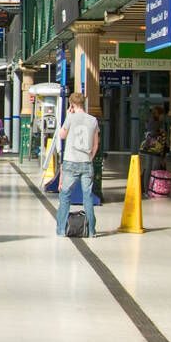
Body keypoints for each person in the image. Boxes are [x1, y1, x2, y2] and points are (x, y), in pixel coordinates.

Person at [55, 92, 100, 237]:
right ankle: (91, 230)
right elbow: (96, 144)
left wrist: (68, 115)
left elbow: (62, 135)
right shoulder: (93, 120)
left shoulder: (71, 117)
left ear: (72, 105)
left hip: (71, 161)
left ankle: (62, 229)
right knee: (87, 196)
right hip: (86, 162)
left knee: (65, 195)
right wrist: (90, 157)